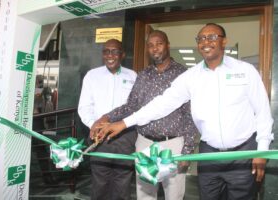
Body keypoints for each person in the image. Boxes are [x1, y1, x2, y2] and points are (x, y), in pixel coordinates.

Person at [99, 23, 273, 200]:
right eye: (201, 38)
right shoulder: (191, 76)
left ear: (224, 41)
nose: (206, 42)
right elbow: (162, 103)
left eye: (212, 37)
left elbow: (263, 112)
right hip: (209, 154)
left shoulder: (245, 71)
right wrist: (124, 123)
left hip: (242, 153)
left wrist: (261, 151)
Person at [92, 30, 197, 200]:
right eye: (150, 45)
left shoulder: (184, 75)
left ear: (168, 45)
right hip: (145, 144)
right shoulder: (143, 75)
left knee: (174, 195)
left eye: (159, 44)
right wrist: (107, 117)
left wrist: (187, 150)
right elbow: (132, 105)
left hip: (173, 145)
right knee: (145, 194)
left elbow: (190, 114)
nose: (155, 49)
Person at [78, 39, 137, 200]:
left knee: (123, 184)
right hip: (99, 137)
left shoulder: (133, 76)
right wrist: (94, 125)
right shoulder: (92, 75)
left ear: (122, 54)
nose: (110, 55)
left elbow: (135, 107)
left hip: (125, 136)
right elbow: (84, 107)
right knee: (100, 183)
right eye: (106, 51)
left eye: (115, 51)